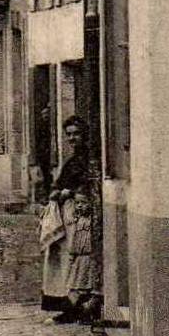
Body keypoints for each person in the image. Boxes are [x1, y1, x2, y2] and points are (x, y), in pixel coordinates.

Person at [40, 115, 98, 324]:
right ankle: (66, 303)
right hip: (68, 216)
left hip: (80, 218)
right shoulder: (72, 160)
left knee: (76, 260)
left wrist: (68, 192)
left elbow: (87, 187)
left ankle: (77, 305)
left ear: (85, 135)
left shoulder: (89, 160)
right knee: (62, 259)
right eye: (69, 135)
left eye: (76, 134)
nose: (72, 138)